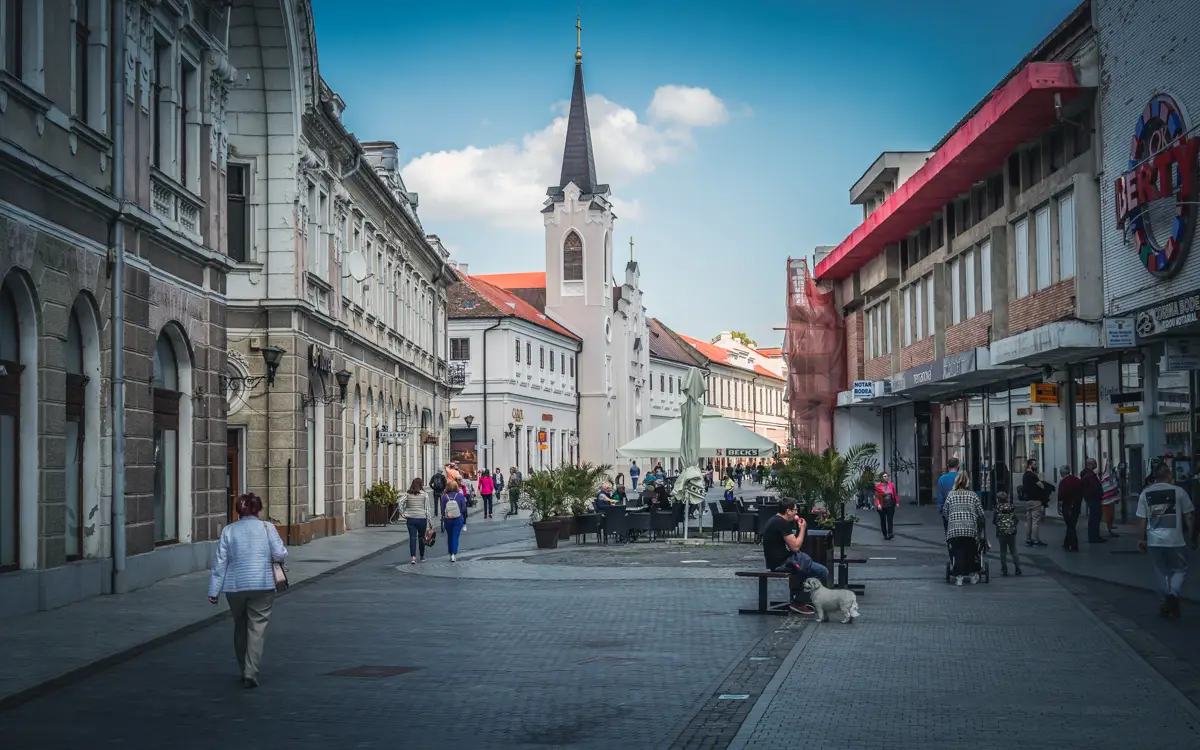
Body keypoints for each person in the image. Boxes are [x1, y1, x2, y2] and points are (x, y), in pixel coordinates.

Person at [207, 493, 288, 688]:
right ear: (259, 510)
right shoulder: (268, 528)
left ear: (238, 511)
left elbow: (220, 563)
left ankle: (243, 667)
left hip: (235, 587)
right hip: (263, 585)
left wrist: (213, 591)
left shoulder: (228, 530)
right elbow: (279, 553)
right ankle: (251, 671)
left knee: (240, 626)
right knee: (257, 628)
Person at [1136, 462, 1197, 618]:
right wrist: (1192, 536)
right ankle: (1173, 594)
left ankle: (1166, 601)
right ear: (1169, 475)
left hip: (1154, 540)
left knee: (1161, 571)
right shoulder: (1179, 491)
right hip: (1175, 539)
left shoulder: (1145, 493)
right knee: (1180, 569)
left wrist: (1141, 539)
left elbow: (1142, 519)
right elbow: (1189, 516)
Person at [761, 500, 829, 615]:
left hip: (780, 561)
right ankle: (799, 601)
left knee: (806, 568)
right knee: (822, 572)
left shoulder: (776, 521)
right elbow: (795, 547)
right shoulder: (781, 523)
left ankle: (801, 598)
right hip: (781, 563)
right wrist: (802, 529)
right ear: (788, 511)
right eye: (795, 510)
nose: (796, 513)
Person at [943, 471, 986, 585]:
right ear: (968, 482)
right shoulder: (973, 495)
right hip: (970, 530)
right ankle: (972, 574)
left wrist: (952, 519)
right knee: (970, 552)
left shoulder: (951, 495)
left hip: (954, 530)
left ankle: (959, 576)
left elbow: (945, 512)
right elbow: (981, 513)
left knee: (957, 552)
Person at [1021, 458, 1051, 547]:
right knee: (1035, 521)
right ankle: (1036, 540)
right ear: (1030, 465)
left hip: (1028, 500)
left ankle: (1028, 539)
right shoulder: (1033, 476)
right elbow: (1041, 486)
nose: (1036, 466)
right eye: (1034, 464)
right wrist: (1040, 478)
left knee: (1028, 521)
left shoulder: (1025, 475)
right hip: (1035, 500)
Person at [992, 491, 1022, 576]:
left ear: (997, 500)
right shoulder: (1011, 508)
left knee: (1003, 550)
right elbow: (1016, 520)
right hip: (1011, 531)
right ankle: (1018, 568)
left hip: (1001, 532)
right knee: (1013, 550)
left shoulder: (997, 509)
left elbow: (994, 521)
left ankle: (1004, 569)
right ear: (1007, 498)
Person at [1079, 457, 1106, 544]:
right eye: (1095, 463)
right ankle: (1094, 536)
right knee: (1095, 517)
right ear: (1090, 465)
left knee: (1094, 517)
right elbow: (1093, 487)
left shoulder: (1087, 474)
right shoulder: (1089, 475)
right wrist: (1098, 493)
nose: (1096, 465)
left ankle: (1094, 536)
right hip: (1093, 498)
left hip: (1091, 498)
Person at [1057, 465, 1083, 552]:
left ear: (1061, 473)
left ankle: (1074, 545)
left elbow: (1061, 495)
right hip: (1076, 505)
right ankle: (1067, 543)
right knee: (1072, 524)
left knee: (1070, 526)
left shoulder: (1063, 482)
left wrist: (1060, 506)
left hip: (1067, 506)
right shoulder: (1077, 480)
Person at [440, 480, 468, 562]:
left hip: (448, 519)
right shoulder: (460, 496)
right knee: (455, 536)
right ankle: (453, 554)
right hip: (458, 519)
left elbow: (442, 510)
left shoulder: (444, 497)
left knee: (450, 536)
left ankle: (450, 552)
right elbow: (464, 509)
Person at [937, 458, 960, 532]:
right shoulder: (962, 478)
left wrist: (942, 512)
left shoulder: (942, 479)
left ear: (948, 466)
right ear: (958, 467)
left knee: (949, 535)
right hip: (961, 512)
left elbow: (940, 499)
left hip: (948, 512)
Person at [874, 472, 898, 540]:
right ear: (881, 478)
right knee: (883, 520)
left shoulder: (891, 485)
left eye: (887, 476)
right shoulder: (878, 487)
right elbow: (877, 497)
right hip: (882, 506)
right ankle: (885, 534)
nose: (886, 477)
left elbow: (894, 494)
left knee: (890, 519)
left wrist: (896, 502)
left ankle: (890, 533)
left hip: (890, 505)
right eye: (884, 476)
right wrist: (878, 504)